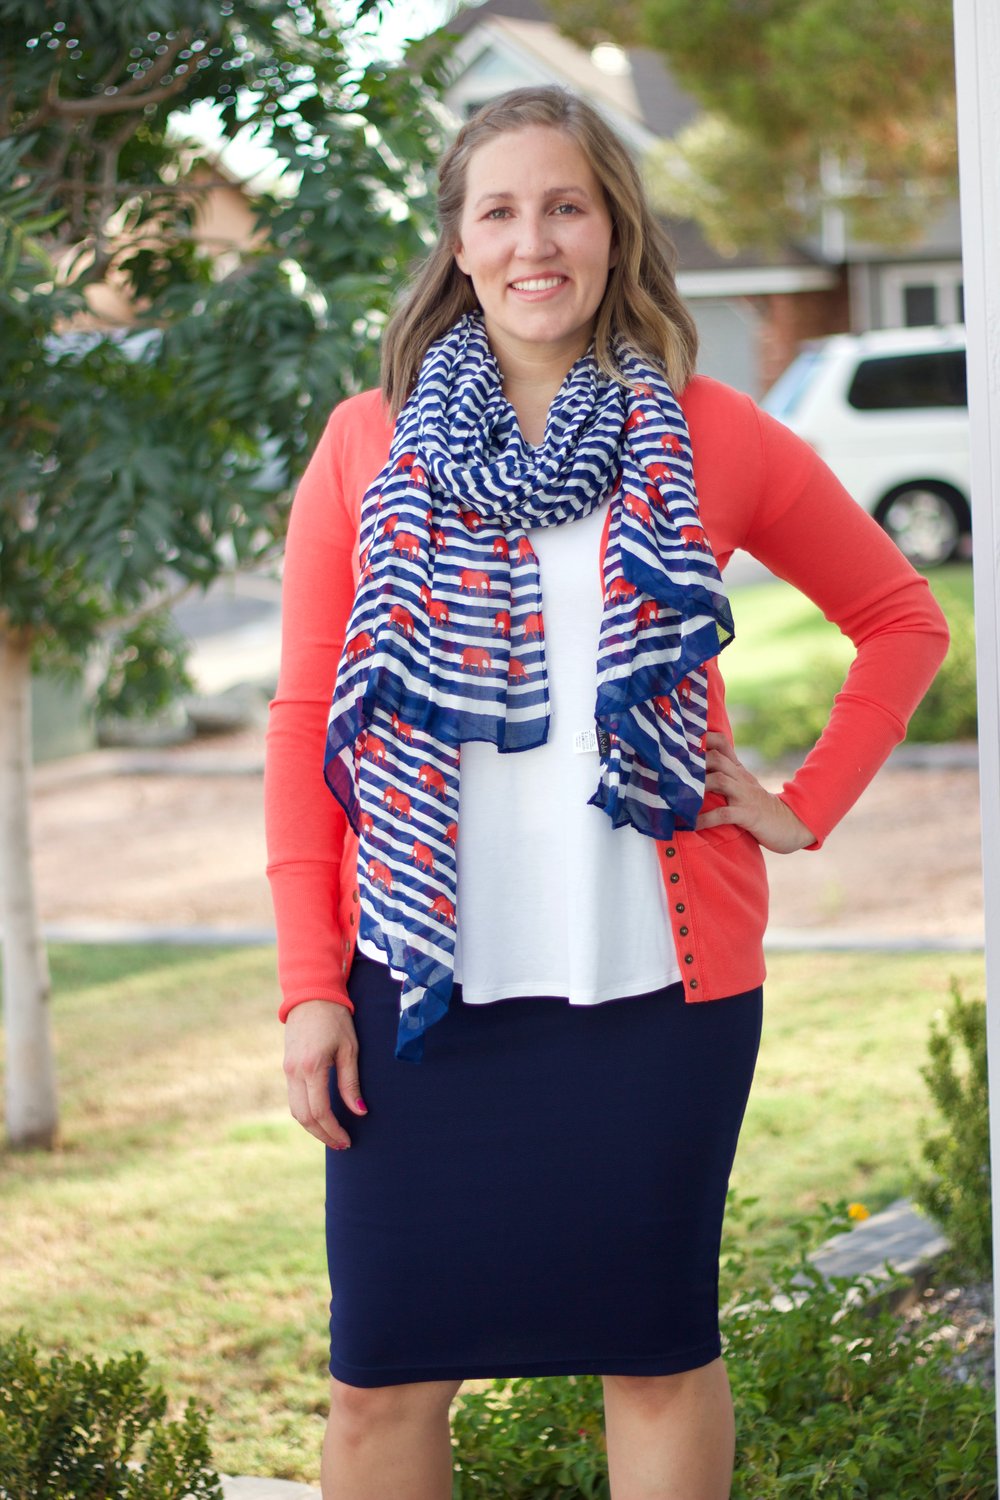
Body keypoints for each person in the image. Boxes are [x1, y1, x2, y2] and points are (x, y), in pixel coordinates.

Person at [264, 85, 948, 1500]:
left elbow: (902, 616)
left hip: (654, 993)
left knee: (653, 1360)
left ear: (615, 229)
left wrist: (806, 799)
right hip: (417, 989)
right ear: (458, 242)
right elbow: (303, 725)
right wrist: (310, 986)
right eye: (501, 211)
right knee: (378, 1388)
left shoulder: (711, 432)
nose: (535, 242)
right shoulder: (364, 444)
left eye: (566, 206)